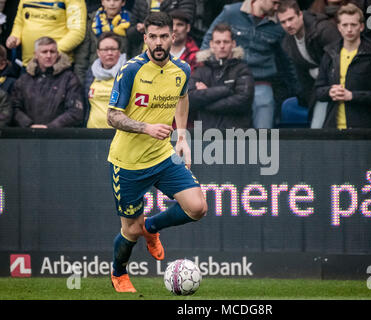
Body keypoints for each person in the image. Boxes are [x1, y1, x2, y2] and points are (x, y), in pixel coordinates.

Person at [107, 11, 207, 293]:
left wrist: (183, 136)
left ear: (173, 36)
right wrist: (145, 127)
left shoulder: (182, 70)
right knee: (130, 231)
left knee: (198, 208)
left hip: (163, 155)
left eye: (164, 36)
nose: (159, 42)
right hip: (127, 162)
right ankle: (119, 272)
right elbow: (112, 116)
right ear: (145, 38)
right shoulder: (130, 70)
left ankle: (152, 227)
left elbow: (183, 96)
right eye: (154, 37)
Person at [200, 0, 299, 129]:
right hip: (232, 80)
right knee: (226, 127)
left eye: (279, 4)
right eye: (275, 3)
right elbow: (208, 42)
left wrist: (297, 90)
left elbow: (287, 58)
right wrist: (209, 75)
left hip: (261, 81)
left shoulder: (279, 24)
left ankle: (264, 148)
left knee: (264, 123)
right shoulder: (231, 12)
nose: (277, 7)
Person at [315, 3, 371, 129]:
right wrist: (330, 91)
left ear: (361, 27)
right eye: (345, 25)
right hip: (333, 126)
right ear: (339, 27)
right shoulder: (329, 53)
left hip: (364, 127)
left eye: (353, 25)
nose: (349, 29)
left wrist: (352, 96)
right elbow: (318, 91)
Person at [277, 0, 341, 128]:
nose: (288, 25)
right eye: (283, 22)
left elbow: (340, 61)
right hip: (320, 91)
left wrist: (320, 73)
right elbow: (301, 75)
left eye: (291, 19)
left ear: (300, 15)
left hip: (343, 85)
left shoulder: (323, 29)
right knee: (317, 128)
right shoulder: (287, 43)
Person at [188, 23, 254, 129]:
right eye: (218, 42)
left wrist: (206, 98)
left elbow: (243, 102)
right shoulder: (201, 70)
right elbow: (189, 98)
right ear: (211, 44)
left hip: (235, 135)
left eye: (226, 42)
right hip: (205, 135)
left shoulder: (242, 69)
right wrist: (225, 90)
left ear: (233, 44)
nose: (222, 46)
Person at [11, 37, 84, 128]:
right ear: (36, 54)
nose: (48, 55)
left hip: (60, 137)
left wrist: (50, 127)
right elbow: (14, 108)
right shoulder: (23, 80)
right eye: (44, 52)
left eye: (52, 52)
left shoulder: (69, 78)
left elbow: (76, 111)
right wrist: (29, 125)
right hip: (28, 136)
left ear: (57, 54)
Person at [6, 0, 87, 66]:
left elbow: (77, 32)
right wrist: (14, 37)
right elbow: (20, 23)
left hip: (58, 66)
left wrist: (50, 52)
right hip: (29, 65)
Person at [74, 0, 131, 83]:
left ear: (123, 2)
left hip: (123, 73)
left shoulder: (131, 21)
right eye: (108, 0)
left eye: (116, 0)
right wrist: (81, 83)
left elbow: (135, 51)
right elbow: (82, 56)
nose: (112, 3)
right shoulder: (92, 21)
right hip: (94, 74)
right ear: (102, 2)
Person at [85, 32, 127, 128]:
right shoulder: (91, 73)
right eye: (105, 49)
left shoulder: (128, 73)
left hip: (119, 133)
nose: (109, 53)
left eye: (113, 49)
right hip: (92, 134)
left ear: (119, 51)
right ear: (98, 52)